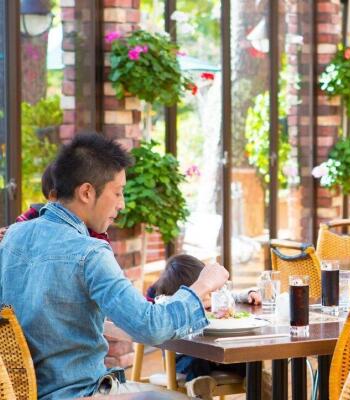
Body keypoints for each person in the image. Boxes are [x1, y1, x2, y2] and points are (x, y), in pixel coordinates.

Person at [0, 133, 228, 399]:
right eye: (117, 192)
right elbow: (151, 328)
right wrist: (202, 285)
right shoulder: (89, 253)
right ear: (86, 192)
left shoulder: (12, 236)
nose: (121, 204)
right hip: (82, 393)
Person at [146, 254, 260, 398]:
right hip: (183, 357)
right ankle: (199, 388)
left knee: (247, 359)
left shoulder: (209, 296)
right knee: (196, 363)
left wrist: (248, 294)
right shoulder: (167, 302)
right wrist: (196, 304)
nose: (207, 295)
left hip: (213, 353)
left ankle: (261, 384)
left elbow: (229, 295)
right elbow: (165, 310)